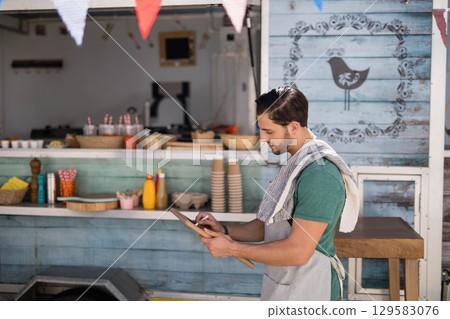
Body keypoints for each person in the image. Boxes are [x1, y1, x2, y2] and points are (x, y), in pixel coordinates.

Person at [195, 86, 358, 301]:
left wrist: (233, 248)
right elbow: (273, 225)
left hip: (311, 288)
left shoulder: (320, 174)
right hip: (286, 285)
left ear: (293, 127)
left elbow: (298, 251)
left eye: (269, 131)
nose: (263, 138)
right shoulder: (296, 164)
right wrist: (224, 230)